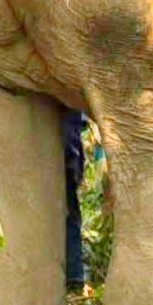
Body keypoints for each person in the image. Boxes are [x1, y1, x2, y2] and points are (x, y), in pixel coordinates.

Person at [63, 109, 86, 291]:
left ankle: (74, 278)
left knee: (69, 216)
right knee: (70, 215)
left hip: (65, 156)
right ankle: (74, 278)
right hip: (68, 156)